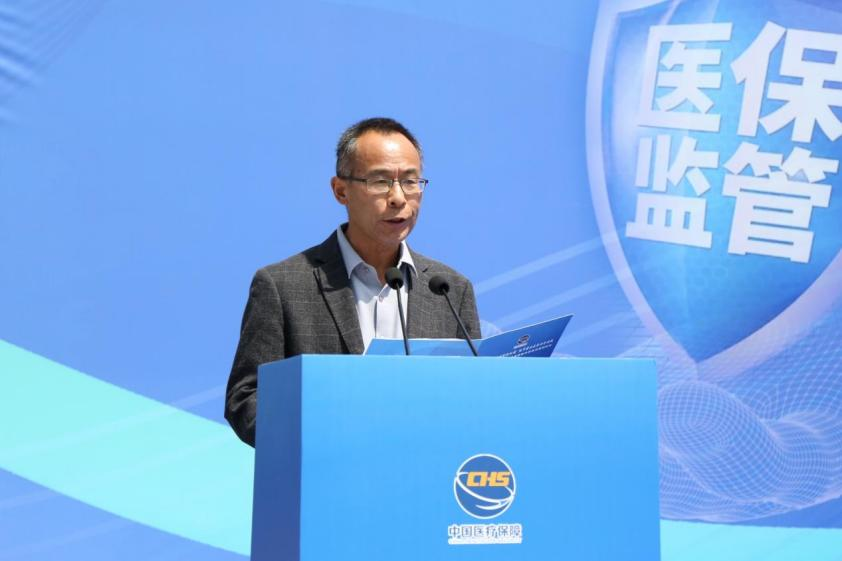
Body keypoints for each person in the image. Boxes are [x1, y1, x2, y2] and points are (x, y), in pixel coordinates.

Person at [224, 117, 481, 446]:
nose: (398, 197)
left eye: (410, 181)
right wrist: (325, 434)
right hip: (325, 469)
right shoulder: (282, 285)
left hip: (426, 470)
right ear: (340, 190)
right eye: (380, 181)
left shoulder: (450, 291)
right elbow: (246, 399)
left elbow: (475, 394)